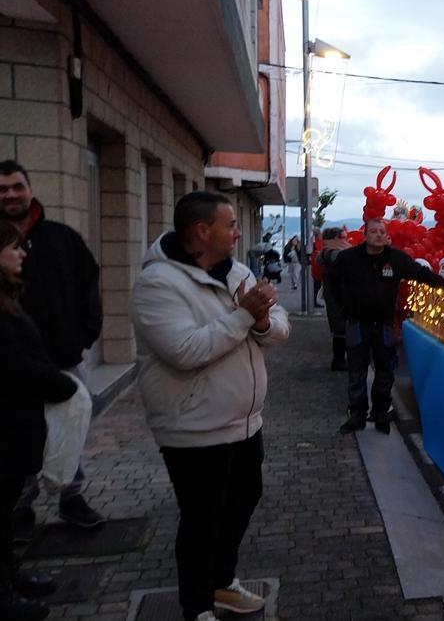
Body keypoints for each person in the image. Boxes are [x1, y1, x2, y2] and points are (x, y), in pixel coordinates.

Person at [130, 191, 290, 621]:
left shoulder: (235, 271)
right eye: (230, 225)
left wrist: (258, 319)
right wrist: (244, 316)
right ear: (202, 232)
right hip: (194, 428)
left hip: (244, 423)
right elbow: (185, 350)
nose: (238, 232)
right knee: (202, 519)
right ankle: (196, 607)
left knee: (243, 500)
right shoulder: (156, 284)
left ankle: (221, 582)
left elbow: (278, 327)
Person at [0, 160, 106, 538]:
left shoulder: (60, 237)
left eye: (16, 186)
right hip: (15, 368)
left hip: (63, 356)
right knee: (20, 436)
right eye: (3, 189)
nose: (10, 194)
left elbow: (89, 283)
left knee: (71, 430)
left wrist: (84, 335)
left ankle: (71, 497)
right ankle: (20, 506)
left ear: (29, 188)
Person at [0, 220, 76, 621]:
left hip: (17, 426)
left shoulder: (9, 297)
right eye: (14, 248)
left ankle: (11, 578)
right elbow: (14, 365)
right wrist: (56, 383)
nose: (22, 254)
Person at [330, 218, 444, 434]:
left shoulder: (396, 259)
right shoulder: (348, 258)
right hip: (357, 323)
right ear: (365, 235)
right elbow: (331, 281)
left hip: (384, 325)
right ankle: (357, 415)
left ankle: (380, 414)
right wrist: (341, 310)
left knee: (385, 371)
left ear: (387, 236)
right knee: (356, 372)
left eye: (382, 232)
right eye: (373, 231)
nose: (378, 235)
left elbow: (420, 273)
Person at [317, 227, 352, 370]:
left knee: (341, 329)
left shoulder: (325, 253)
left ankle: (339, 360)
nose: (346, 240)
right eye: (343, 237)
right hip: (338, 296)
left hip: (335, 295)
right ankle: (339, 361)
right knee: (341, 329)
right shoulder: (333, 254)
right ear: (335, 239)